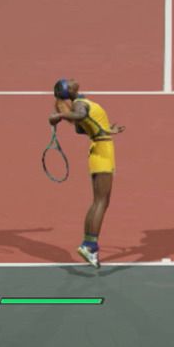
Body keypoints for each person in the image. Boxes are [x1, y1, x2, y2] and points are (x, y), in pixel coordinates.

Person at [48, 78, 125, 269]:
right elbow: (81, 115)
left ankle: (89, 244)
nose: (73, 81)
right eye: (69, 82)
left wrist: (106, 129)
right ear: (69, 90)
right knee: (101, 201)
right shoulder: (80, 104)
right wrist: (60, 115)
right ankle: (89, 246)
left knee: (99, 201)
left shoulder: (80, 102)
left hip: (100, 149)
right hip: (102, 153)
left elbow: (80, 128)